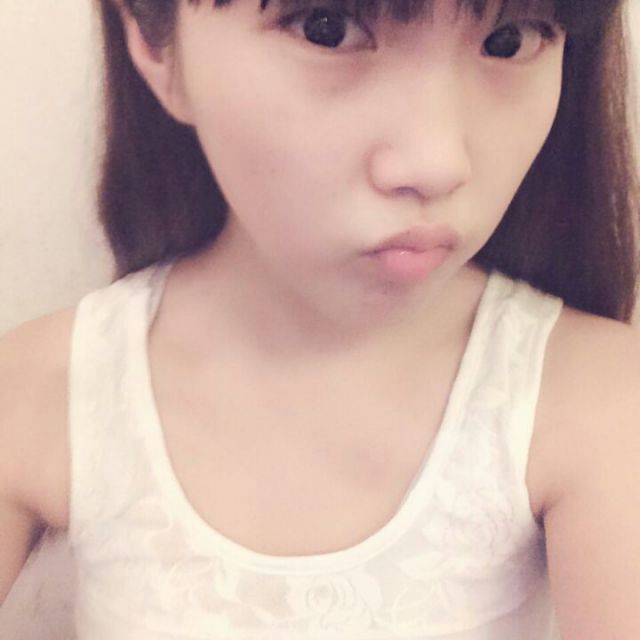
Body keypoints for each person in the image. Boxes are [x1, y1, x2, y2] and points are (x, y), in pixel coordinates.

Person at [1, 0, 639, 637]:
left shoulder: (595, 402)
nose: (437, 163)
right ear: (156, 40)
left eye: (510, 40)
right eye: (327, 30)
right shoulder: (43, 392)